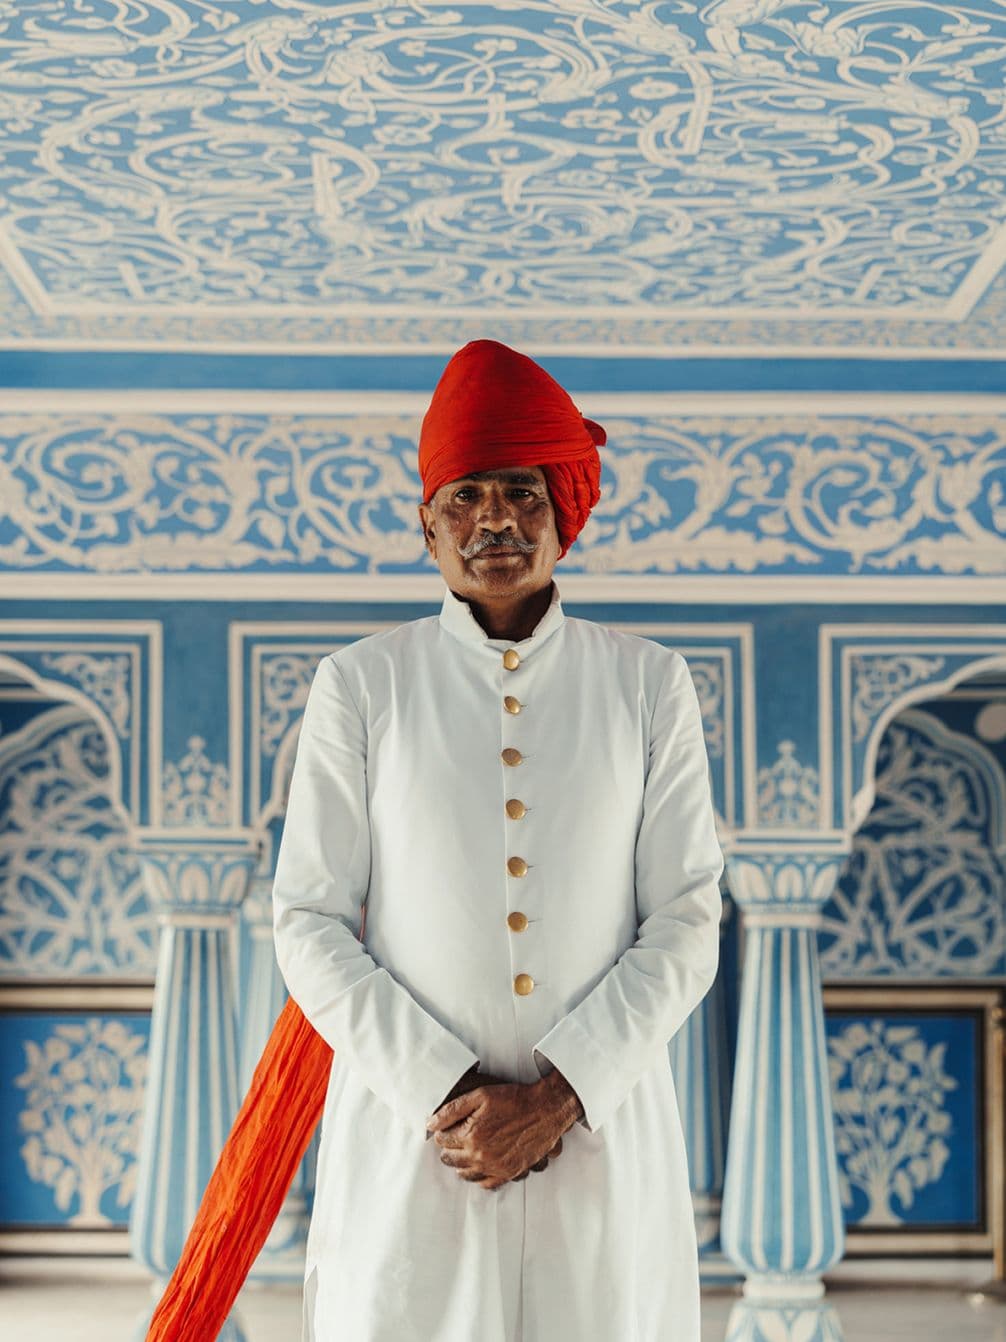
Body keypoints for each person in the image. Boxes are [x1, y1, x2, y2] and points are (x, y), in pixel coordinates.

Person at [269, 339, 724, 1342]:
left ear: (563, 509)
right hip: (417, 1137)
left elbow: (689, 917)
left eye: (520, 492)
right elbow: (306, 918)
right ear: (426, 524)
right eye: (465, 497)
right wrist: (447, 1089)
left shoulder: (647, 682)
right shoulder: (362, 684)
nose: (495, 523)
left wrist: (561, 1095)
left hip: (599, 1136)